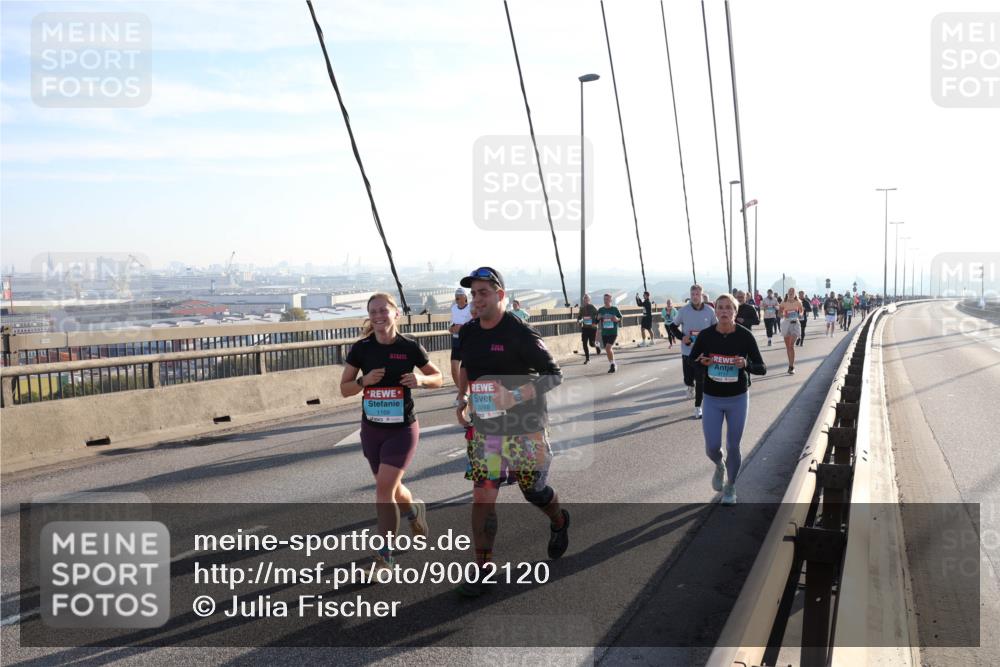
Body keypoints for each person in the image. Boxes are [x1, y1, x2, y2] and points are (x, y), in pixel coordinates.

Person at [454, 267, 569, 597]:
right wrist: (462, 399)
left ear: (500, 295)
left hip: (525, 428)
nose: (477, 300)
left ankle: (559, 520)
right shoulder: (469, 331)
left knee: (532, 490)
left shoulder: (520, 333)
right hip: (487, 430)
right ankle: (483, 568)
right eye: (473, 294)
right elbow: (466, 367)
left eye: (483, 293)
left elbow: (554, 375)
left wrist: (514, 396)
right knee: (483, 494)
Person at [341, 292, 443, 571]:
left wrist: (421, 380)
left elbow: (438, 377)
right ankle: (413, 510)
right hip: (372, 430)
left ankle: (384, 559)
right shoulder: (361, 348)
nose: (378, 316)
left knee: (383, 491)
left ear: (396, 314)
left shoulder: (409, 346)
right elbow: (344, 389)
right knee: (392, 488)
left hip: (402, 430)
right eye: (373, 312)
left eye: (383, 311)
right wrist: (363, 381)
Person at [690, 292, 766, 505]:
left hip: (737, 398)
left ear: (735, 311)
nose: (724, 311)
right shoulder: (706, 336)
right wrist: (701, 362)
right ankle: (719, 464)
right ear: (715, 311)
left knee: (733, 446)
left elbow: (762, 367)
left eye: (728, 307)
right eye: (720, 307)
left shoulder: (745, 336)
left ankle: (731, 486)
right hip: (712, 398)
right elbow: (692, 362)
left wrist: (746, 365)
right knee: (712, 447)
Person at [668, 284, 718, 419]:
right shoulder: (683, 311)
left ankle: (698, 407)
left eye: (697, 294)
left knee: (701, 380)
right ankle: (690, 386)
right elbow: (672, 327)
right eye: (693, 295)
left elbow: (716, 328)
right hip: (687, 351)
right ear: (690, 296)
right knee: (688, 379)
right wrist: (682, 337)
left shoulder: (710, 311)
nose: (695, 297)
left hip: (703, 353)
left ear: (702, 295)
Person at [450, 288, 473, 405]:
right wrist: (451, 328)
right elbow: (451, 322)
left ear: (465, 297)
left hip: (467, 341)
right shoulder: (453, 308)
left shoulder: (471, 308)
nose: (457, 298)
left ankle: (464, 394)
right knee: (454, 369)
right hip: (456, 340)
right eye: (456, 296)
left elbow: (475, 323)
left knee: (465, 369)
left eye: (459, 296)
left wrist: (462, 328)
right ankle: (462, 392)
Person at [779, 288, 804, 373]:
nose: (791, 293)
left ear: (794, 294)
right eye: (790, 292)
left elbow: (801, 311)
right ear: (788, 293)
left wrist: (800, 314)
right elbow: (779, 313)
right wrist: (783, 314)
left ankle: (792, 367)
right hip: (786, 324)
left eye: (792, 292)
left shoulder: (798, 302)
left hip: (795, 324)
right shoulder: (784, 302)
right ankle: (790, 365)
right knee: (788, 347)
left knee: (791, 345)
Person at [597, 294, 623, 373]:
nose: (606, 301)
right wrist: (598, 318)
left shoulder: (614, 309)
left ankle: (612, 365)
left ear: (611, 300)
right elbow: (596, 321)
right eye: (605, 299)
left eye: (607, 299)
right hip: (604, 333)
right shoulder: (601, 310)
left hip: (613, 332)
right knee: (607, 349)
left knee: (608, 348)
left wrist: (617, 319)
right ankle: (612, 363)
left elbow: (621, 318)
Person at [577, 293, 600, 364]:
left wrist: (595, 322)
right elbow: (579, 317)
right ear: (583, 300)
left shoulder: (592, 307)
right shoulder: (582, 308)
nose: (585, 299)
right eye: (584, 298)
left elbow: (598, 314)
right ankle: (587, 359)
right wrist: (578, 321)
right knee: (584, 343)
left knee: (591, 344)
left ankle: (597, 346)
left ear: (589, 300)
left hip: (592, 328)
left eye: (587, 298)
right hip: (585, 328)